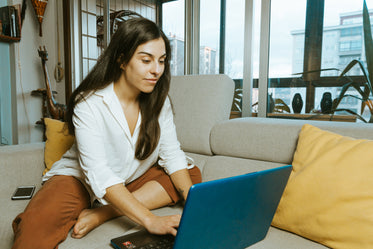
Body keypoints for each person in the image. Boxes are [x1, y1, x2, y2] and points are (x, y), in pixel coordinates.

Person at [12, 17, 201, 249]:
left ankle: (105, 213)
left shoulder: (160, 102)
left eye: (162, 61)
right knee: (35, 225)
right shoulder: (89, 103)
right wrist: (150, 220)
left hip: (129, 179)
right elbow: (99, 174)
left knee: (190, 177)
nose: (156, 70)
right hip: (80, 181)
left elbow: (172, 154)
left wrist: (196, 206)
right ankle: (111, 206)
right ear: (122, 60)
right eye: (146, 60)